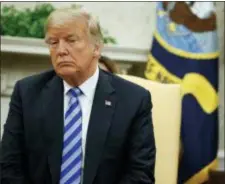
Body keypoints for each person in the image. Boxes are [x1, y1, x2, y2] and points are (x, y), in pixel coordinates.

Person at [0, 8, 156, 184]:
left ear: (96, 48)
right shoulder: (28, 92)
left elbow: (140, 174)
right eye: (53, 42)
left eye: (70, 40)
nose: (60, 50)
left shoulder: (133, 99)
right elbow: (9, 167)